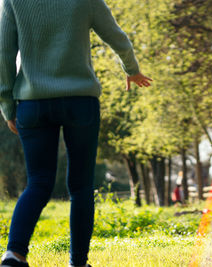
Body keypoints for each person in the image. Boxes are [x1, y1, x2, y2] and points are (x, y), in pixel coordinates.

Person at [0, 0, 152, 266]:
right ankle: (78, 263)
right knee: (81, 186)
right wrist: (132, 69)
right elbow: (116, 36)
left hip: (33, 104)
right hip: (80, 102)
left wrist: (7, 105)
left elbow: (3, 52)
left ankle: (14, 254)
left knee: (38, 182)